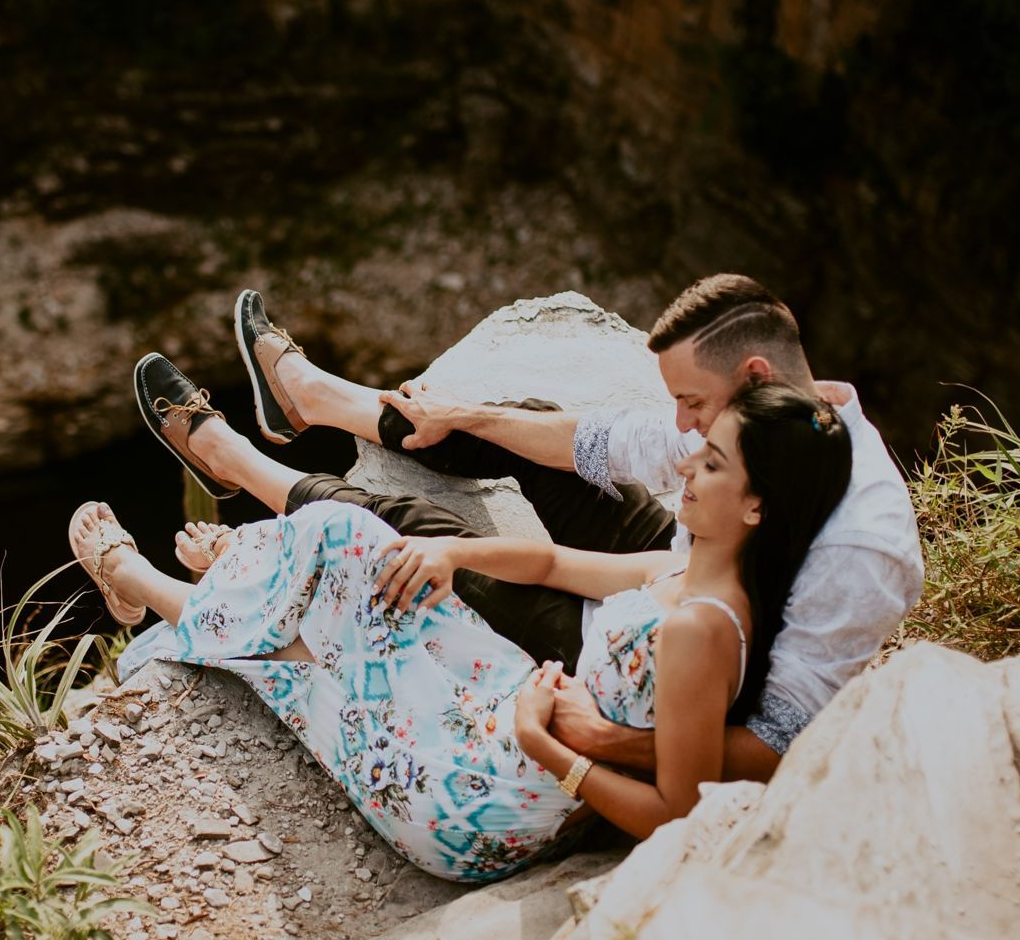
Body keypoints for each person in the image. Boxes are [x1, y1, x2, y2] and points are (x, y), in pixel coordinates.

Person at [80, 383, 853, 881]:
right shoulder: (688, 569)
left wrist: (555, 751)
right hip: (504, 694)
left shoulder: (705, 632)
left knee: (325, 657)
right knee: (351, 538)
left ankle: (153, 588)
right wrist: (451, 552)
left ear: (759, 508)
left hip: (489, 791)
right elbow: (554, 564)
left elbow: (680, 813)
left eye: (711, 465)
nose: (685, 470)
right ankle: (238, 574)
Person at [220, 275, 923, 779]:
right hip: (672, 575)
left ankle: (234, 464)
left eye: (692, 403)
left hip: (661, 672)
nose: (681, 424)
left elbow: (774, 743)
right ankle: (313, 400)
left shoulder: (863, 545)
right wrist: (462, 416)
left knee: (414, 536)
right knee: (516, 423)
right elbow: (606, 441)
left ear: (754, 374)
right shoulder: (770, 421)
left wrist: (605, 739)